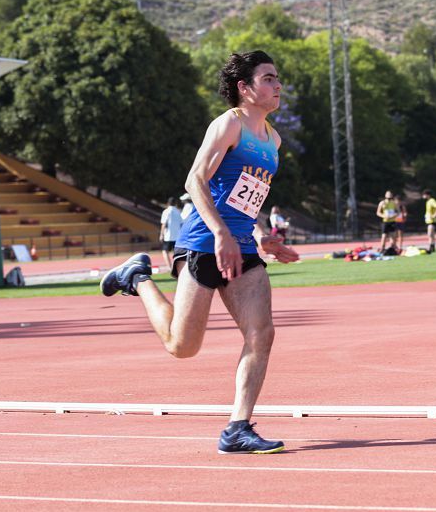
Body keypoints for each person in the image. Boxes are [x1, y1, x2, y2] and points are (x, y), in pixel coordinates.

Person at [99, 50, 299, 455]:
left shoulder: (273, 140)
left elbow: (249, 196)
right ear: (245, 88)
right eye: (268, 78)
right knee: (182, 347)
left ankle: (237, 428)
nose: (277, 85)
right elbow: (194, 181)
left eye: (278, 78)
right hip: (204, 243)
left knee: (262, 333)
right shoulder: (229, 124)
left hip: (242, 245)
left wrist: (261, 236)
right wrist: (220, 232)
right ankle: (137, 278)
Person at [159, 197, 183, 268]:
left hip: (168, 236)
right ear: (175, 203)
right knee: (175, 252)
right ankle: (176, 266)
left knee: (164, 251)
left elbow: (164, 224)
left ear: (168, 203)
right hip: (177, 235)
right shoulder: (178, 211)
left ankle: (169, 267)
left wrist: (161, 234)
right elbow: (181, 224)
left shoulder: (166, 211)